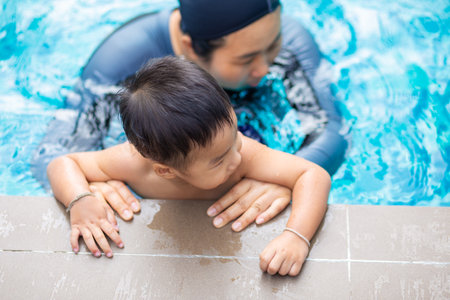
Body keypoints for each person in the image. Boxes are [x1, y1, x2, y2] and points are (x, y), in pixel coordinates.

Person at [35, 0, 346, 233]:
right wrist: (85, 192)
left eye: (274, 45)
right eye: (246, 58)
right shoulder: (121, 62)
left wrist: (285, 180)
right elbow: (54, 155)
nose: (265, 69)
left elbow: (332, 130)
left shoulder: (287, 37)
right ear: (189, 49)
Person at [47, 57, 330, 276]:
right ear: (165, 170)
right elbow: (63, 163)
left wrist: (297, 237)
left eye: (234, 140)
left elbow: (313, 174)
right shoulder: (134, 164)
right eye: (219, 159)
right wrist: (81, 200)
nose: (237, 159)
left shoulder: (246, 153)